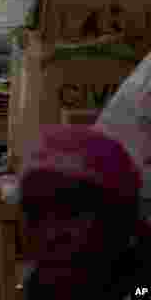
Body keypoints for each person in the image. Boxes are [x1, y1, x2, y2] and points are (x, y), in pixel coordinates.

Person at [19, 125, 151, 299]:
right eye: (36, 213)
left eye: (69, 214)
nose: (50, 234)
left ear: (119, 218)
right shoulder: (44, 284)